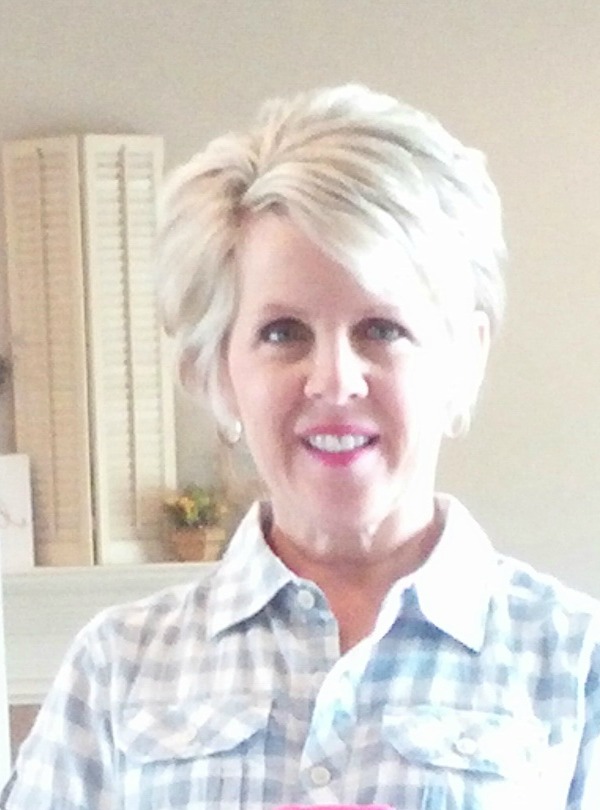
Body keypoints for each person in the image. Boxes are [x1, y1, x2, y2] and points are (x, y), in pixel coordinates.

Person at [2, 84, 599, 810]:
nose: (335, 380)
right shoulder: (117, 668)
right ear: (219, 371)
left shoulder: (575, 663)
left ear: (463, 358)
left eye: (382, 329)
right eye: (283, 332)